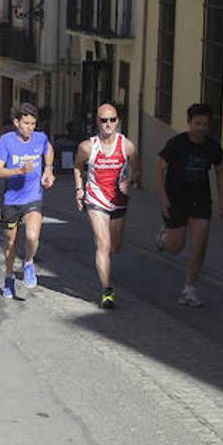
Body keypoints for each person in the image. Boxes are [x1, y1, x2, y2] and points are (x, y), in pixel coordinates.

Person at [155, 102, 223, 307]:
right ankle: (164, 237)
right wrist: (162, 198)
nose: (201, 128)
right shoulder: (176, 144)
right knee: (175, 247)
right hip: (176, 199)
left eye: (205, 124)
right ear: (189, 123)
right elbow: (159, 168)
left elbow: (220, 173)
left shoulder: (213, 146)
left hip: (201, 200)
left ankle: (189, 290)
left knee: (199, 245)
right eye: (197, 124)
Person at [73, 102, 138, 309]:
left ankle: (107, 282)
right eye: (104, 120)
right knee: (104, 244)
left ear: (117, 121)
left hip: (118, 199)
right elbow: (77, 166)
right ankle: (107, 291)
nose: (108, 124)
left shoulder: (127, 146)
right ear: (97, 123)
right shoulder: (87, 147)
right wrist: (79, 190)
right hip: (96, 198)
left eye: (112, 120)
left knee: (117, 246)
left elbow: (137, 171)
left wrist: (130, 181)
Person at [0, 103, 54, 298]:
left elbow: (48, 149)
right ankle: (9, 277)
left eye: (33, 124)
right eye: (26, 123)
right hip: (11, 199)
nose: (30, 128)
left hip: (33, 196)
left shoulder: (40, 138)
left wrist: (48, 169)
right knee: (10, 243)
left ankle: (28, 262)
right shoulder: (6, 141)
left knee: (32, 236)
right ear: (17, 122)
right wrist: (19, 170)